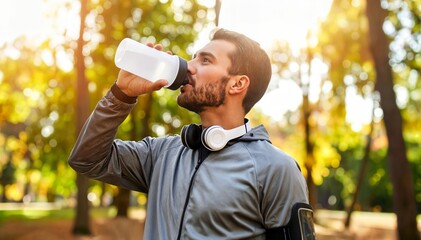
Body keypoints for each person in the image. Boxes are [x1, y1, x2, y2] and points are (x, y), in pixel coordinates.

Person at [69, 28, 311, 239]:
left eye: (205, 61)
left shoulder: (276, 169)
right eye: (193, 58)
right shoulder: (162, 154)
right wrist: (121, 94)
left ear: (238, 84)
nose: (189, 66)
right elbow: (87, 159)